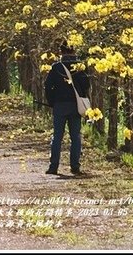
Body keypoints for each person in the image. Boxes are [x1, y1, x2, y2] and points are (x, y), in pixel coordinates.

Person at [43, 42, 90, 175]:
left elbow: (47, 86)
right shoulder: (80, 67)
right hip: (75, 105)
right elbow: (86, 85)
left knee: (57, 136)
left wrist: (52, 101)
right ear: (74, 50)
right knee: (75, 136)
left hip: (59, 105)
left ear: (61, 51)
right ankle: (75, 166)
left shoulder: (56, 67)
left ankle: (53, 166)